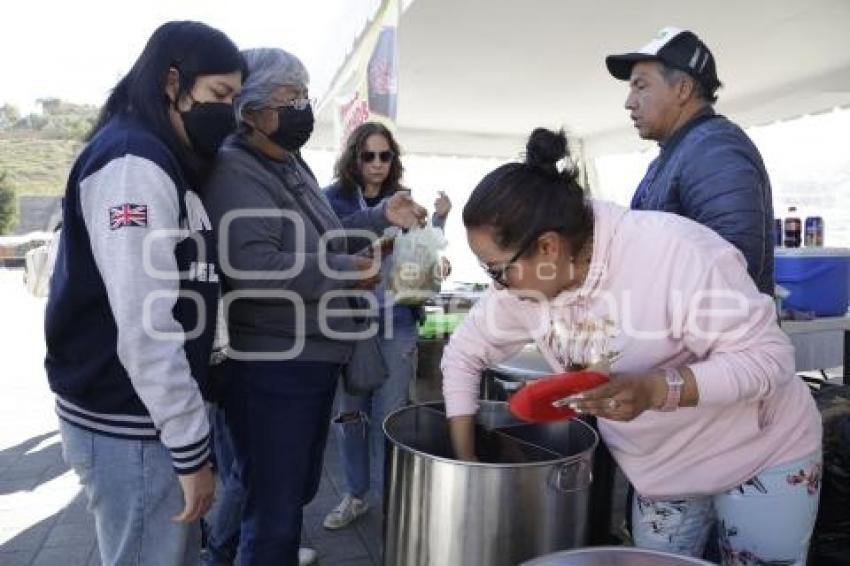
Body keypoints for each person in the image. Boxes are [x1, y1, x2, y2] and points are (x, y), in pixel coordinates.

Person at [441, 128, 822, 565]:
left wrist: (656, 389)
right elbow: (464, 354)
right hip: (662, 472)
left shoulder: (675, 253)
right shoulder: (523, 292)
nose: (497, 286)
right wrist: (464, 456)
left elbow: (767, 360)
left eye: (497, 269)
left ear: (547, 247)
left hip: (763, 455)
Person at [202, 48, 426, 566]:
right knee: (274, 508)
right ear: (250, 110)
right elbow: (255, 265)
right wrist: (349, 271)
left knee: (288, 490)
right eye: (288, 98)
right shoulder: (237, 170)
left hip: (311, 356)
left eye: (304, 94)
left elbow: (322, 237)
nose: (302, 107)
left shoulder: (287, 163)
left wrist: (375, 218)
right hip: (275, 363)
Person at [44, 21, 244, 566]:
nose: (227, 114)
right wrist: (189, 449)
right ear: (172, 83)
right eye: (218, 96)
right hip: (132, 426)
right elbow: (146, 326)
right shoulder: (134, 162)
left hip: (144, 421)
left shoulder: (161, 160)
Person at [322, 122, 452, 529]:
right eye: (369, 156)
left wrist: (438, 239)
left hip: (397, 319)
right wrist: (380, 241)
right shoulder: (332, 201)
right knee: (350, 416)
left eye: (385, 155)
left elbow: (424, 258)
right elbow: (327, 252)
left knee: (391, 416)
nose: (378, 164)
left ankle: (390, 496)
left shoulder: (406, 203)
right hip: (350, 322)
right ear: (353, 158)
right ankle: (356, 494)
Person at [606, 27, 774, 295]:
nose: (629, 102)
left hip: (714, 336)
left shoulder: (715, 149)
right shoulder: (675, 153)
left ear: (682, 90)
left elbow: (732, 272)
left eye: (640, 86)